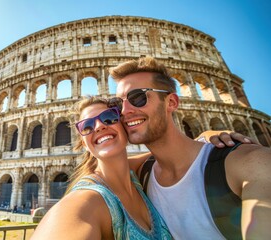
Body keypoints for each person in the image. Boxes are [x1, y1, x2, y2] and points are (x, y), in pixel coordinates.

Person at [110, 56, 271, 239]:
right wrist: (206, 134)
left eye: (138, 98)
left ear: (171, 102)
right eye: (117, 104)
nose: (124, 111)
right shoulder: (141, 174)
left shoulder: (251, 162)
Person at [32, 96, 172, 239]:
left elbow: (175, 151)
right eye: (87, 126)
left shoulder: (136, 171)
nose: (99, 126)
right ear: (85, 144)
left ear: (125, 127)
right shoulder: (85, 201)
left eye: (109, 117)